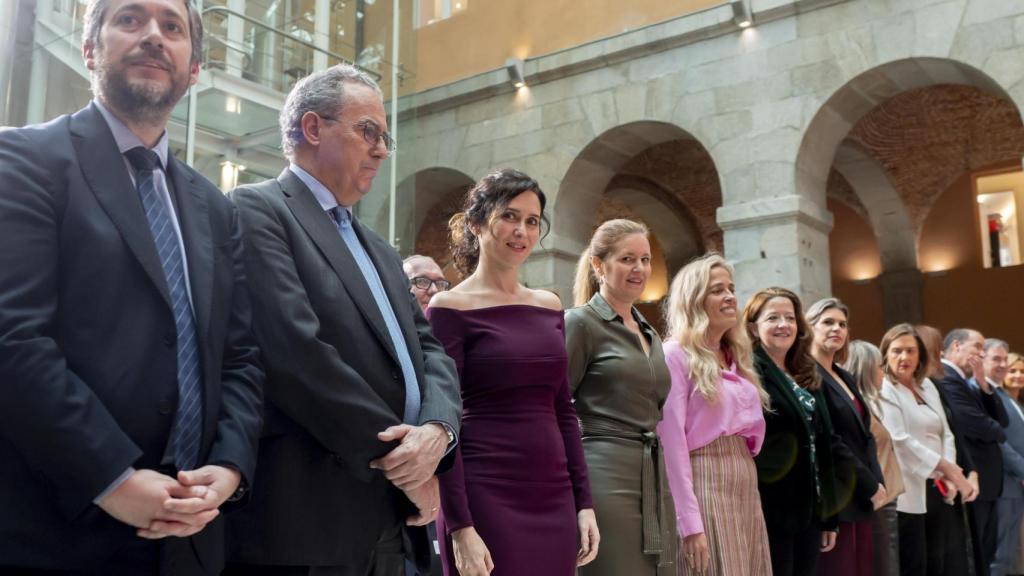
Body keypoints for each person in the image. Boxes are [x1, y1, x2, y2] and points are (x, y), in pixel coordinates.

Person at [0, 0, 264, 572]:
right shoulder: (23, 158)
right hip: (59, 528)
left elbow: (240, 354)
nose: (153, 36)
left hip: (193, 533)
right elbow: (13, 337)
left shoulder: (215, 207)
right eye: (130, 19)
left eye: (172, 28)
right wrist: (111, 476)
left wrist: (231, 465)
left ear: (194, 68)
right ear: (90, 50)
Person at [224, 64, 462, 576]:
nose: (380, 149)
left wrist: (439, 431)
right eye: (367, 131)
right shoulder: (257, 210)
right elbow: (296, 353)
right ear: (313, 129)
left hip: (390, 521)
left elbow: (431, 351)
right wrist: (405, 465)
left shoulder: (378, 247)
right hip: (311, 514)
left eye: (384, 137)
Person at [427, 168, 599, 576]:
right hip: (485, 493)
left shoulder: (549, 306)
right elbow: (443, 419)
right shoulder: (450, 308)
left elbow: (563, 410)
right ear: (475, 223)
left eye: (532, 220)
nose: (521, 230)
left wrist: (584, 501)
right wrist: (460, 525)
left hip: (554, 495)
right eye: (509, 216)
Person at [564, 219, 677, 576]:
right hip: (602, 476)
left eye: (645, 260)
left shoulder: (650, 334)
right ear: (599, 265)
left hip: (654, 477)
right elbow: (553, 407)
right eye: (628, 259)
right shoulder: (579, 323)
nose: (640, 268)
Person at [656, 254, 772, 576]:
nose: (730, 296)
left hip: (744, 478)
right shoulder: (675, 355)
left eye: (731, 288)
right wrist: (689, 524)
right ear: (695, 300)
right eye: (717, 290)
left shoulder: (736, 357)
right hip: (706, 478)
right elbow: (672, 443)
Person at [743, 287, 839, 576]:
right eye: (773, 318)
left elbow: (824, 444)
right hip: (772, 508)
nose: (784, 325)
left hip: (811, 506)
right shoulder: (749, 372)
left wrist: (829, 515)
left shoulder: (805, 370)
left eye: (790, 318)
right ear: (753, 327)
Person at [877, 323, 974, 576]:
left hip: (940, 486)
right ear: (885, 353)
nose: (904, 357)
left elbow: (947, 432)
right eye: (897, 350)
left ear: (920, 354)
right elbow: (900, 439)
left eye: (910, 351)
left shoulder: (927, 386)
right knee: (915, 562)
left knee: (942, 562)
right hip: (908, 489)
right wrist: (948, 469)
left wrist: (948, 473)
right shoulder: (884, 388)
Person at [806, 299, 885, 576]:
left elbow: (865, 436)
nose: (836, 329)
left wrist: (876, 481)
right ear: (809, 327)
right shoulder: (807, 373)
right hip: (837, 493)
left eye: (842, 324)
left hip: (861, 493)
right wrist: (869, 484)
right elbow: (830, 438)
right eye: (827, 322)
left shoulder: (844, 375)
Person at [939, 329, 1009, 573]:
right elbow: (977, 424)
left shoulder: (967, 383)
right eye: (977, 347)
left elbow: (1002, 420)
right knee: (976, 553)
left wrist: (983, 384)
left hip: (986, 480)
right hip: (971, 476)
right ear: (957, 346)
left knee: (985, 553)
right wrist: (997, 430)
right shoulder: (947, 378)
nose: (982, 353)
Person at [843, 340, 904, 576]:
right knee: (882, 565)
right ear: (867, 368)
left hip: (886, 496)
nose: (884, 372)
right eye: (880, 365)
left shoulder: (873, 404)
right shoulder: (858, 407)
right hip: (874, 495)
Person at [980, 340, 1024, 576]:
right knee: (1000, 555)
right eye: (996, 359)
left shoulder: (1004, 396)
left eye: (1005, 359)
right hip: (1005, 484)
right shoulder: (985, 393)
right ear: (981, 359)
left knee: (1011, 556)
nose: (1003, 365)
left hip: (1014, 486)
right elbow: (999, 442)